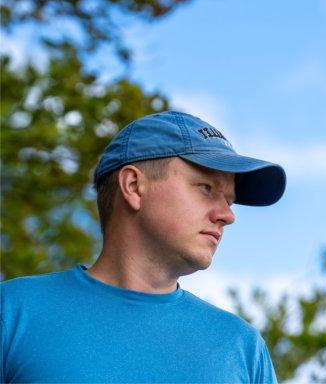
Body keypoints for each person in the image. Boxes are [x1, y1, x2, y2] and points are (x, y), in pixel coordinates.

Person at [1, 111, 286, 383]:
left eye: (230, 200)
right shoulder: (13, 311)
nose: (227, 215)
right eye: (206, 188)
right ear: (134, 186)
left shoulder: (242, 348)